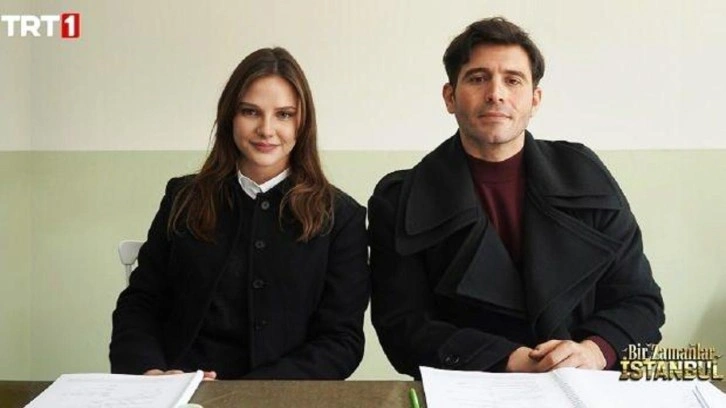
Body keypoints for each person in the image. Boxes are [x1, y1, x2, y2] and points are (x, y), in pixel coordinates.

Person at [368, 17, 664, 378]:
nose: (496, 93)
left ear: (535, 99)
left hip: (582, 385)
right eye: (478, 78)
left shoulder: (584, 175)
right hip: (472, 388)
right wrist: (507, 359)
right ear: (449, 97)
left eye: (512, 80)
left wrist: (594, 351)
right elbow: (402, 327)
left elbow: (640, 301)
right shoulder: (401, 199)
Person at [110, 47, 370, 380]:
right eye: (250, 112)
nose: (266, 129)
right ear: (229, 117)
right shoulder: (183, 198)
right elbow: (140, 303)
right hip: (179, 387)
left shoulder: (341, 217)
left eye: (284, 114)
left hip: (279, 396)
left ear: (303, 123)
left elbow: (341, 341)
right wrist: (150, 374)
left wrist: (249, 394)